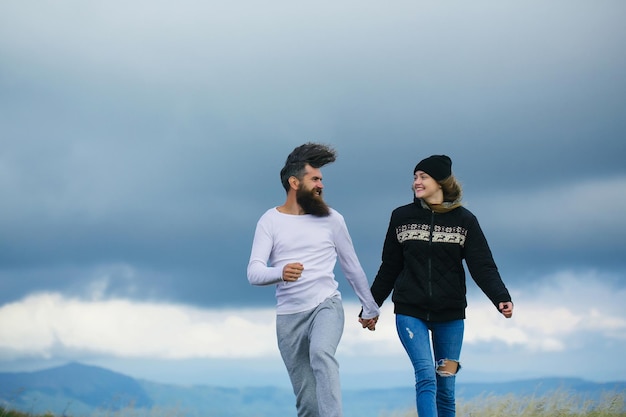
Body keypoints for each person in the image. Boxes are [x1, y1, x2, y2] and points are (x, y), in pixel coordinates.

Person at [368, 154, 514, 417]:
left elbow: (483, 265)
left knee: (446, 384)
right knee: (426, 375)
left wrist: (500, 296)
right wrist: (370, 306)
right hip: (410, 313)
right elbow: (389, 266)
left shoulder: (465, 221)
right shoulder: (401, 217)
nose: (416, 182)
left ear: (441, 182)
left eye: (423, 176)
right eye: (415, 177)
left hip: (451, 317)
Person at [247, 142, 380, 417]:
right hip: (288, 318)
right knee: (307, 402)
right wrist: (280, 272)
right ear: (294, 182)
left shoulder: (333, 219)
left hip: (325, 305)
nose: (321, 185)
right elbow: (254, 272)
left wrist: (370, 306)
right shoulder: (269, 221)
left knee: (321, 353)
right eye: (315, 179)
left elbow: (351, 266)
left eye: (322, 179)